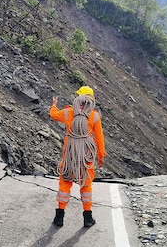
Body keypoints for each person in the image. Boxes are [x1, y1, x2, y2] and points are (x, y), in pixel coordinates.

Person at [49, 85, 106, 228]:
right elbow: (99, 138)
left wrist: (54, 105)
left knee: (65, 182)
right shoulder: (94, 116)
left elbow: (54, 115)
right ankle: (87, 218)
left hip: (70, 155)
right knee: (86, 185)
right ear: (91, 99)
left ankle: (59, 217)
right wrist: (101, 156)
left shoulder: (68, 112)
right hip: (86, 156)